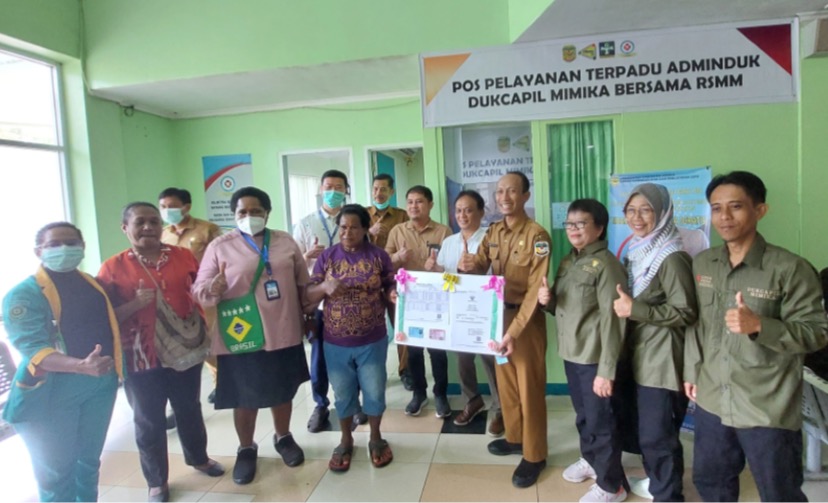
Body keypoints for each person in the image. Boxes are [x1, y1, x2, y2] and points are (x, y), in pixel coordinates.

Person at [684, 171, 828, 502]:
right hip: (712, 400)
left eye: (735, 206)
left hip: (766, 405)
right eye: (716, 208)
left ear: (760, 210)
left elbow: (817, 333)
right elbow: (697, 326)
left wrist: (760, 326)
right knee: (711, 483)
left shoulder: (790, 268)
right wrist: (692, 370)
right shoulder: (704, 263)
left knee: (779, 492)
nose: (724, 216)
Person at [98, 203, 223, 502]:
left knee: (189, 409)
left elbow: (199, 290)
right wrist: (134, 305)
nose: (148, 227)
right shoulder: (112, 267)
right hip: (140, 355)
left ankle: (199, 458)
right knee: (148, 418)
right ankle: (156, 481)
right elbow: (104, 315)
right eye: (140, 222)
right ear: (125, 228)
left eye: (154, 221)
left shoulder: (182, 256)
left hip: (186, 349)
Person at [193, 186, 314, 485]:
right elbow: (199, 288)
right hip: (241, 335)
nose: (249, 217)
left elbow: (303, 285)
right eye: (242, 212)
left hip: (283, 329)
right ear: (234, 215)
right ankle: (246, 448)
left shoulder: (285, 242)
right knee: (243, 397)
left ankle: (283, 437)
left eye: (255, 211)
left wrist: (312, 312)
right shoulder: (220, 246)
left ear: (267, 213)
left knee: (282, 390)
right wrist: (213, 289)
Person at [2, 222, 122, 502]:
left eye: (71, 243)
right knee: (56, 473)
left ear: (82, 247)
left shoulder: (92, 284)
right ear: (38, 251)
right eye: (54, 244)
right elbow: (33, 347)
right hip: (51, 394)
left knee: (89, 463)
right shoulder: (23, 294)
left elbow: (107, 323)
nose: (64, 249)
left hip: (99, 388)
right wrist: (81, 366)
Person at [458, 171, 551, 488]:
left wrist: (514, 332)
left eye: (512, 191)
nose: (505, 197)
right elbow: (480, 266)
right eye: (499, 192)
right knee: (506, 383)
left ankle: (535, 454)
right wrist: (467, 267)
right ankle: (514, 437)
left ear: (525, 195)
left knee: (529, 389)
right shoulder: (493, 232)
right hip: (496, 320)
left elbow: (535, 292)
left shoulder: (538, 237)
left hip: (524, 325)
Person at [538, 198, 629, 502]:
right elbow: (563, 308)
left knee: (602, 422)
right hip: (572, 353)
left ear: (599, 227)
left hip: (594, 358)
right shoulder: (568, 261)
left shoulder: (607, 265)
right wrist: (547, 299)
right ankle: (591, 461)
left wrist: (607, 371)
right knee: (584, 417)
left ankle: (611, 485)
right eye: (569, 223)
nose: (573, 229)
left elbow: (614, 322)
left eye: (581, 223)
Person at [612, 183, 698, 502]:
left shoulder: (671, 256)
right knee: (649, 432)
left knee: (658, 435)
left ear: (662, 213)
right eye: (631, 210)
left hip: (662, 360)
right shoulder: (637, 250)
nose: (637, 217)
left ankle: (669, 495)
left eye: (646, 210)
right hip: (640, 355)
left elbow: (686, 311)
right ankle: (661, 483)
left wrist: (636, 309)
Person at [307, 204, 397, 472]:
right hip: (335, 341)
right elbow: (309, 293)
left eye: (353, 227)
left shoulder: (379, 256)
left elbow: (390, 282)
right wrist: (324, 286)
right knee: (343, 392)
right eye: (343, 227)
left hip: (372, 338)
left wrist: (392, 292)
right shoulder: (328, 257)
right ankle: (346, 440)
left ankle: (376, 437)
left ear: (365, 229)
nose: (347, 232)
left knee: (374, 390)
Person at [424, 189, 504, 437]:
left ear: (481, 212)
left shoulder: (491, 239)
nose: (463, 215)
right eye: (458, 210)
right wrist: (436, 270)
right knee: (463, 358)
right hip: (458, 311)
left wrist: (478, 269)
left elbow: (499, 278)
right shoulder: (449, 242)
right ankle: (473, 399)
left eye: (469, 210)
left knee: (491, 359)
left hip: (486, 311)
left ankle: (500, 407)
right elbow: (448, 280)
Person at [292, 169, 354, 432]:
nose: (333, 191)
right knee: (318, 357)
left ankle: (353, 403)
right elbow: (294, 265)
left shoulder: (353, 221)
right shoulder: (305, 223)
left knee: (352, 355)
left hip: (349, 299)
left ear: (345, 190)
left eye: (338, 187)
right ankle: (320, 405)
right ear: (320, 188)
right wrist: (307, 255)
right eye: (328, 186)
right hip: (319, 301)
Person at [385, 185, 452, 418]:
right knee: (412, 351)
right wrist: (397, 258)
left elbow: (452, 269)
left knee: (438, 351)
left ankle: (441, 394)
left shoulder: (443, 232)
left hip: (436, 302)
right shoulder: (397, 231)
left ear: (430, 204)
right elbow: (385, 264)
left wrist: (439, 268)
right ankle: (419, 394)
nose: (414, 206)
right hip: (409, 301)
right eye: (410, 201)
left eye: (420, 201)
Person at [158, 187, 222, 426]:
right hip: (176, 299)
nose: (167, 211)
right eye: (163, 207)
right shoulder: (163, 234)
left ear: (186, 206)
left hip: (205, 296)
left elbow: (221, 259)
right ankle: (179, 404)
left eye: (171, 206)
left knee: (211, 341)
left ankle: (220, 385)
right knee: (180, 346)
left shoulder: (207, 230)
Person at [365, 173, 412, 391]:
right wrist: (368, 233)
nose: (379, 193)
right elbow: (353, 244)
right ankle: (376, 373)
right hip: (369, 281)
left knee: (401, 325)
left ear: (391, 192)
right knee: (374, 330)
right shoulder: (363, 215)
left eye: (383, 189)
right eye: (375, 188)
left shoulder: (403, 216)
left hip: (394, 280)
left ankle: (405, 371)